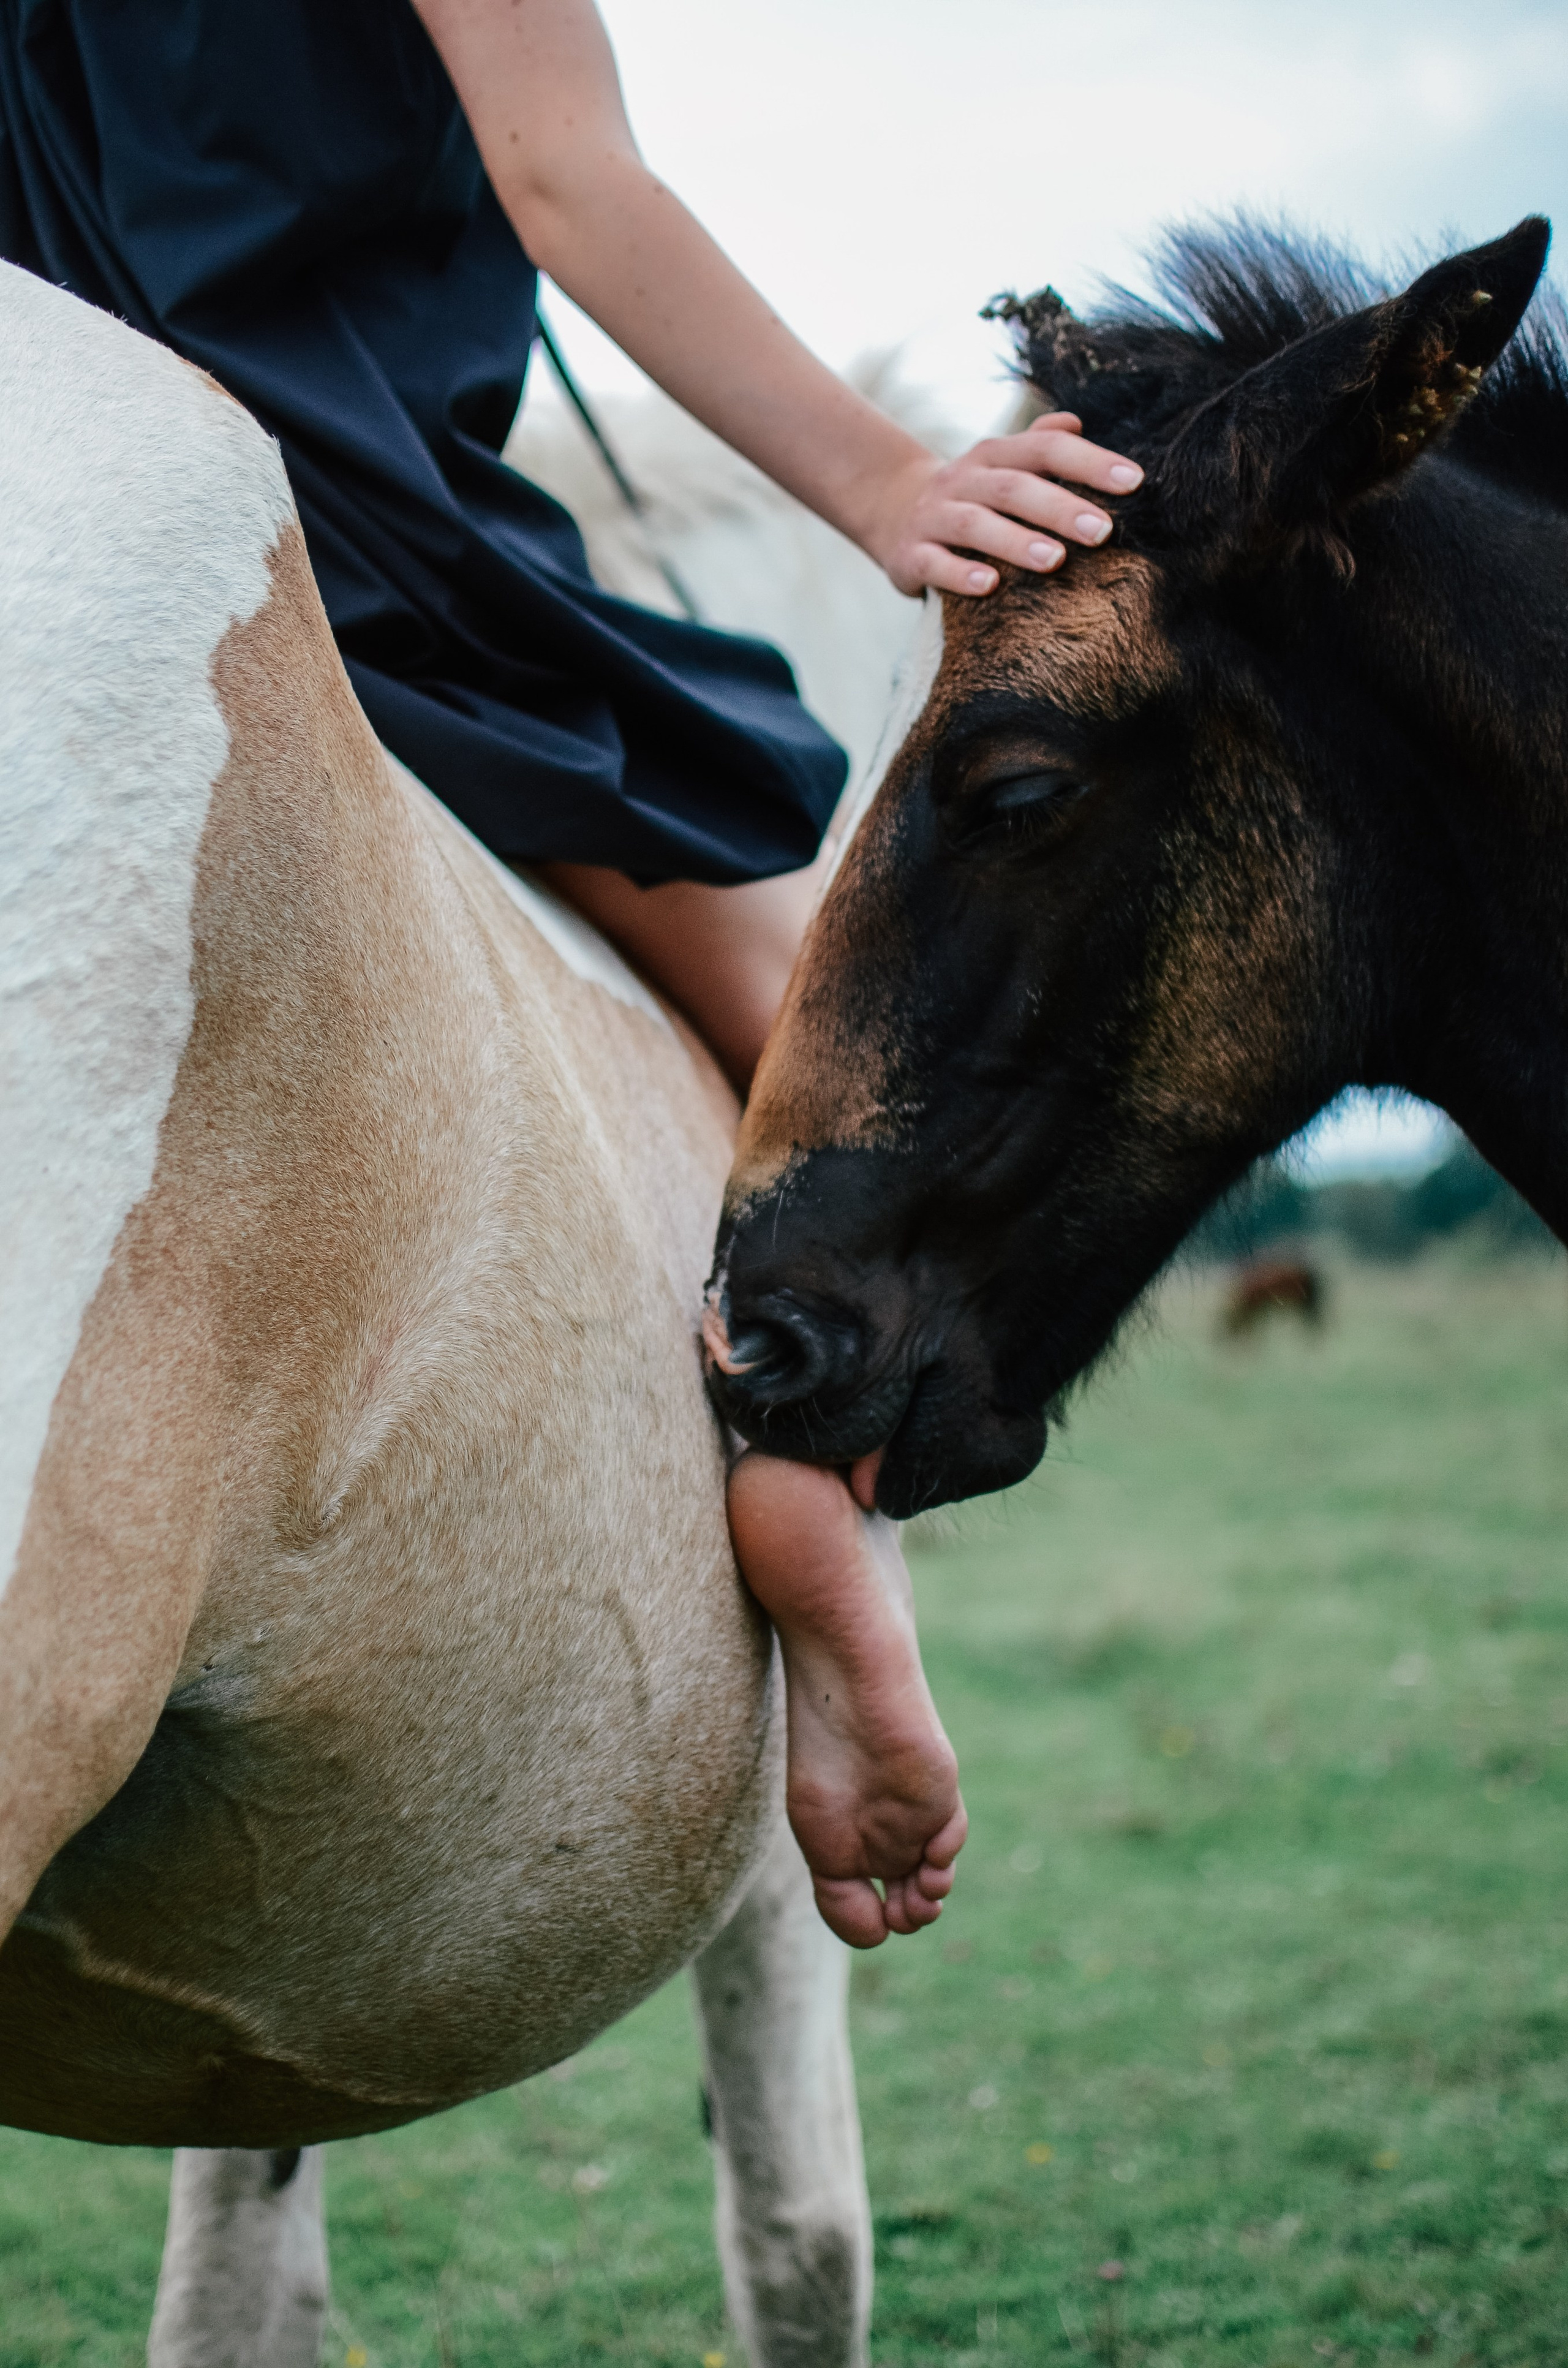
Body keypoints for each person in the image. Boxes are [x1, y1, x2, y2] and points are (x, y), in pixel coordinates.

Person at [0, 0, 1142, 1947]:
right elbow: (566, 175)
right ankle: (819, 1524)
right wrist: (879, 483)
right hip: (323, 537)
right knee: (842, 1059)